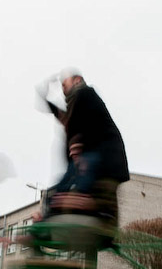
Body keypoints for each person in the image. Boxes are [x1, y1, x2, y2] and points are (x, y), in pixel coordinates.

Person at [37, 68, 130, 222]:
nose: (62, 88)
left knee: (86, 190)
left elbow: (76, 122)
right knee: (96, 199)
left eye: (64, 84)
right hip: (102, 164)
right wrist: (43, 92)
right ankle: (56, 212)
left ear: (77, 80)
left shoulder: (84, 94)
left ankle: (57, 211)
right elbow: (57, 112)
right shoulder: (74, 108)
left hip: (103, 162)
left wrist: (75, 146)